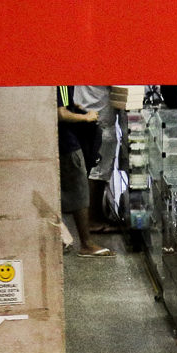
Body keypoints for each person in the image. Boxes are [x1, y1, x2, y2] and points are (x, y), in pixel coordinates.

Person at [56, 87, 113, 257]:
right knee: (79, 186)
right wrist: (85, 117)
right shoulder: (58, 80)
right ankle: (86, 243)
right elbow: (60, 113)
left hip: (68, 137)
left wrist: (77, 108)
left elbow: (65, 104)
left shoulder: (64, 82)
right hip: (66, 141)